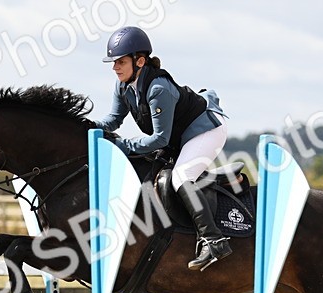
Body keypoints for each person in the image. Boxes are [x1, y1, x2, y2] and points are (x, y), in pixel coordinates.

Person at [94, 26, 233, 270]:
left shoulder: (158, 88)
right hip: (178, 136)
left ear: (139, 61)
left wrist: (121, 145)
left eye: (120, 62)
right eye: (114, 62)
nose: (115, 67)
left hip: (205, 130)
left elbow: (159, 139)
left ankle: (213, 241)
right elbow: (113, 120)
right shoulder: (123, 86)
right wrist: (86, 128)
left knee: (181, 177)